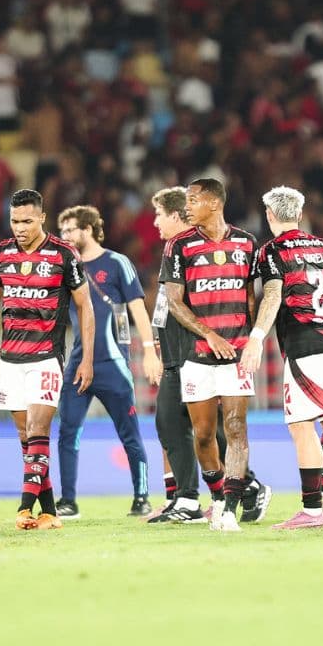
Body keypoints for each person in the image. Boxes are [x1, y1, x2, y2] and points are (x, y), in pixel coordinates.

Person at [0, 189, 95, 531]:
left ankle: (23, 509)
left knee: (38, 430)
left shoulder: (63, 254)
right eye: (14, 221)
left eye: (27, 221)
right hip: (10, 360)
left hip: (46, 357)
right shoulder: (1, 254)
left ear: (42, 219)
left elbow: (85, 306)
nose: (19, 227)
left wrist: (87, 356)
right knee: (26, 438)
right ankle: (49, 512)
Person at [240, 186, 323, 529]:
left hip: (305, 343)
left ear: (271, 215)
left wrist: (256, 337)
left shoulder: (272, 251)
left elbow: (273, 295)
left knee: (301, 426)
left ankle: (311, 511)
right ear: (299, 212)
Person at [160, 178, 265, 532]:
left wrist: (250, 341)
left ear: (215, 204)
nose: (187, 206)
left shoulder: (247, 243)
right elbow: (174, 301)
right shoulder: (179, 245)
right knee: (203, 435)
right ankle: (219, 494)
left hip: (236, 355)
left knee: (235, 428)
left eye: (193, 200)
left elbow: (251, 298)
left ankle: (230, 508)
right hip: (198, 356)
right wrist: (209, 334)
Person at [55, 205, 160, 518]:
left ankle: (142, 497)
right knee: (67, 432)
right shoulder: (65, 267)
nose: (66, 237)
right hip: (78, 364)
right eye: (62, 232)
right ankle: (68, 501)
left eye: (71, 230)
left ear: (88, 229)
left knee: (129, 432)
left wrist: (149, 350)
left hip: (113, 363)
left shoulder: (116, 263)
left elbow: (137, 308)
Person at [145, 187, 204, 524]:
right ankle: (186, 498)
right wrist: (156, 347)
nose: (155, 221)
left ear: (177, 215)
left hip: (190, 354)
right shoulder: (173, 249)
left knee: (202, 427)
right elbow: (165, 307)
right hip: (172, 354)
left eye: (159, 215)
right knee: (172, 424)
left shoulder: (194, 250)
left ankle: (192, 498)